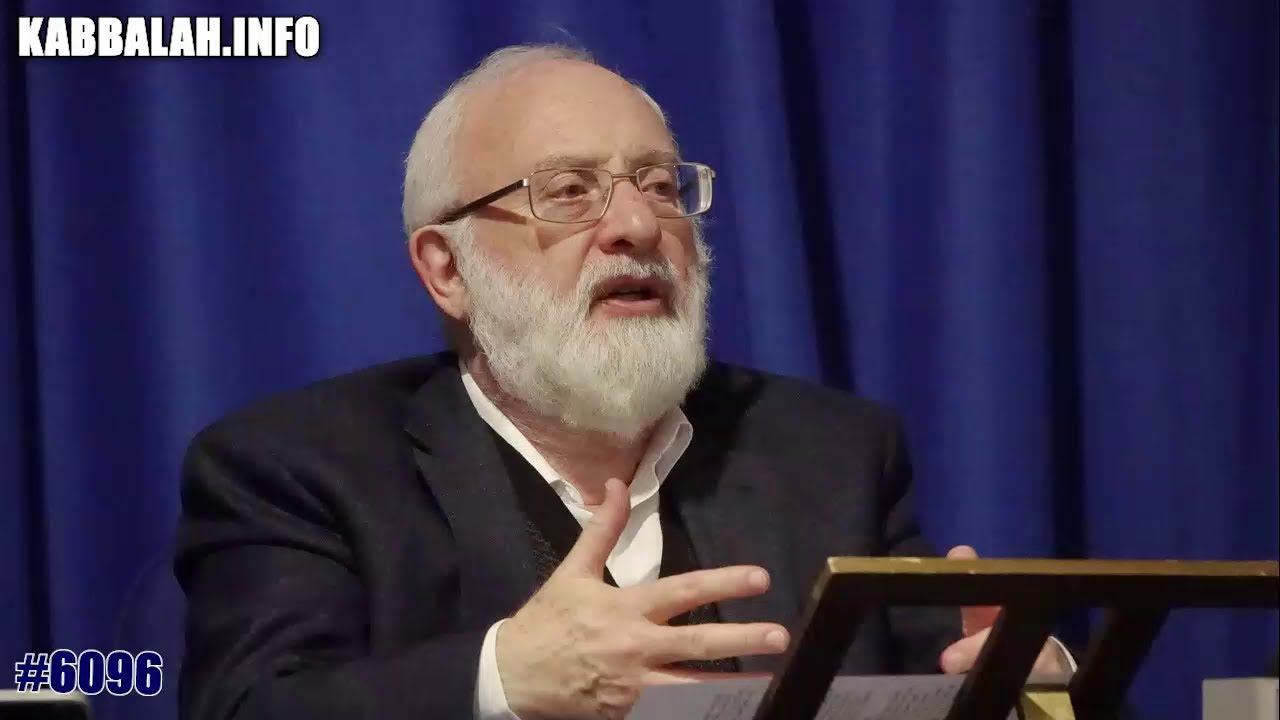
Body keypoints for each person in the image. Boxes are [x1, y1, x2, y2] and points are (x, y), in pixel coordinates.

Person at [174, 44, 1071, 720]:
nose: (639, 225)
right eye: (569, 191)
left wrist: (1036, 694)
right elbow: (248, 706)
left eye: (660, 185)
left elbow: (955, 679)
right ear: (446, 268)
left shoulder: (831, 452)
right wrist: (502, 679)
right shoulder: (299, 466)